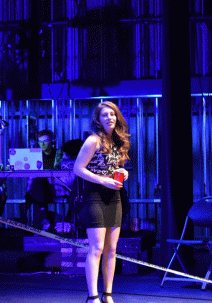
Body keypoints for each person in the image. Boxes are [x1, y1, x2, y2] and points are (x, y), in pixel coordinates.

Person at [73, 101, 130, 303]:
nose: (110, 118)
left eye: (113, 115)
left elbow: (112, 167)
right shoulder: (93, 140)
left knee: (111, 249)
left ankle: (108, 294)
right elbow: (78, 169)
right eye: (105, 115)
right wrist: (102, 180)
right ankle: (92, 296)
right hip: (94, 196)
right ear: (98, 119)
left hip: (113, 197)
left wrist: (122, 172)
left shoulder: (117, 141)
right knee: (96, 248)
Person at [25, 130, 65, 232]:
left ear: (52, 141)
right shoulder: (36, 154)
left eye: (45, 141)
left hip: (55, 186)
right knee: (37, 182)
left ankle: (43, 219)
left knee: (36, 184)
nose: (42, 144)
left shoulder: (59, 154)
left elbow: (60, 172)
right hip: (40, 188)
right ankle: (45, 219)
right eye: (40, 141)